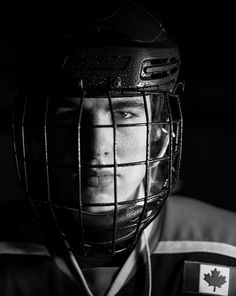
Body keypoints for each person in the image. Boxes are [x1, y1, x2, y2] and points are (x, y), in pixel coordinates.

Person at [1, 1, 236, 295]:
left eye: (124, 115)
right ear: (38, 134)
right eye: (68, 116)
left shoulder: (226, 245)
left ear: (159, 137)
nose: (96, 148)